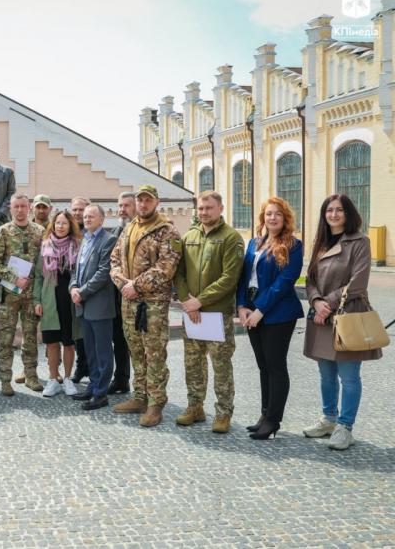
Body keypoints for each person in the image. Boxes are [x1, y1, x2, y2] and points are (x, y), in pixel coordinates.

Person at [302, 194, 381, 450]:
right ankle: (328, 419)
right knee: (326, 374)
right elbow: (310, 278)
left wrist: (329, 303)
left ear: (348, 213)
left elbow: (358, 281)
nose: (334, 214)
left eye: (339, 210)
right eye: (329, 210)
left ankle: (345, 427)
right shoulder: (320, 241)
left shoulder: (360, 241)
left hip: (347, 315)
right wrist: (316, 301)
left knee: (348, 376)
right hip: (322, 316)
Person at [110, 184, 182, 427]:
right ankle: (139, 397)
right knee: (136, 352)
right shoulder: (129, 228)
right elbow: (114, 259)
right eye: (140, 200)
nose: (143, 204)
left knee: (154, 354)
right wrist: (123, 284)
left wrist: (136, 286)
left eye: (147, 200)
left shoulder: (167, 231)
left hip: (152, 305)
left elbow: (166, 267)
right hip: (128, 302)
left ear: (156, 202)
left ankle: (155, 404)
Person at [174, 191, 244, 433]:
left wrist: (200, 301)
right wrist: (186, 300)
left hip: (217, 314)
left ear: (221, 208)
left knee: (220, 365)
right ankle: (195, 406)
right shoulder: (189, 236)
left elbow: (229, 278)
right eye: (201, 208)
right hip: (192, 312)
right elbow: (179, 272)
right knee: (193, 363)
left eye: (209, 208)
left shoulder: (231, 238)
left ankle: (224, 412)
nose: (204, 212)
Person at [237, 197, 304, 440]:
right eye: (268, 214)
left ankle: (274, 420)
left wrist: (260, 310)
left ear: (285, 218)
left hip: (279, 313)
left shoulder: (294, 245)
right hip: (252, 311)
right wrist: (242, 305)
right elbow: (244, 276)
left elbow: (285, 281)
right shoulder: (254, 243)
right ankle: (264, 415)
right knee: (263, 366)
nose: (272, 218)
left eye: (277, 214)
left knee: (275, 365)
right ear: (262, 218)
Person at [0, 193, 45, 395]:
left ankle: (31, 376)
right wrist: (13, 278)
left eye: (23, 206)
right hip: (9, 294)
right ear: (10, 209)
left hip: (31, 295)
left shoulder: (40, 232)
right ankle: (5, 380)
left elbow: (44, 263)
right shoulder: (2, 232)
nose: (20, 210)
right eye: (16, 206)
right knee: (6, 338)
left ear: (29, 208)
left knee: (30, 337)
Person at [70, 205, 119, 410]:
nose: (87, 219)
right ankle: (93, 386)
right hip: (83, 305)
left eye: (91, 216)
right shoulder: (85, 239)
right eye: (85, 216)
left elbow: (103, 272)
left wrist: (82, 292)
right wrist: (73, 287)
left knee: (103, 351)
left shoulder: (108, 240)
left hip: (99, 305)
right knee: (90, 350)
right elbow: (76, 269)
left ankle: (101, 394)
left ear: (102, 219)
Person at [33, 210, 82, 397]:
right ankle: (53, 379)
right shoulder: (45, 246)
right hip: (49, 300)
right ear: (52, 225)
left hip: (70, 301)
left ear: (70, 226)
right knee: (52, 342)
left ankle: (68, 379)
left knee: (69, 342)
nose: (60, 226)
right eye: (57, 223)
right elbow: (38, 276)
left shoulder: (77, 246)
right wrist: (37, 300)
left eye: (64, 223)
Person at [108, 192, 135, 394]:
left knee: (142, 345)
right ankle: (121, 379)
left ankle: (147, 389)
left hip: (140, 297)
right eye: (120, 205)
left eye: (126, 205)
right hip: (118, 296)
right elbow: (113, 262)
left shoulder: (146, 230)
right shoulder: (115, 231)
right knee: (119, 340)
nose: (121, 209)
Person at [69, 196, 92, 384]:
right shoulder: (66, 230)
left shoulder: (90, 233)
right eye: (74, 209)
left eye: (81, 210)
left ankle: (90, 367)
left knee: (87, 331)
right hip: (69, 288)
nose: (77, 213)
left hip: (87, 289)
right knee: (76, 332)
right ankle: (81, 365)